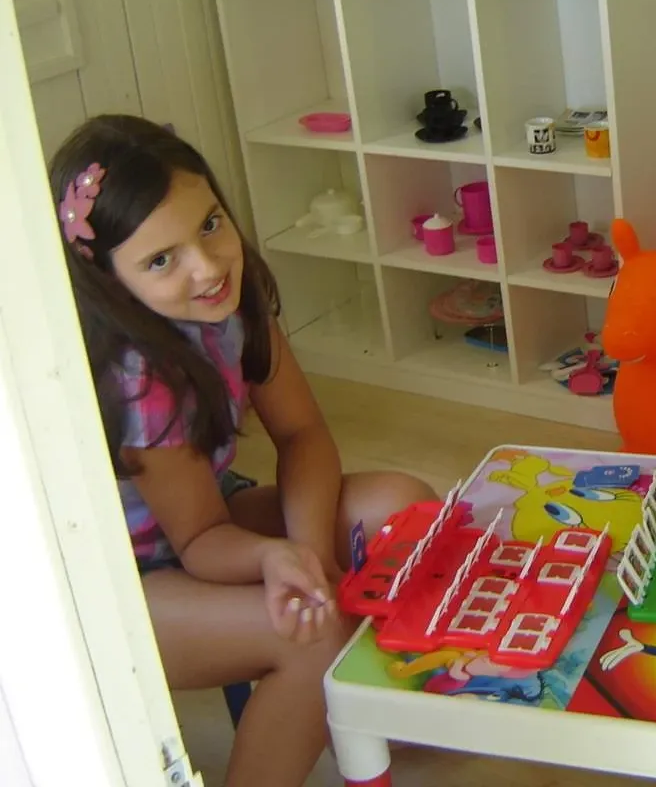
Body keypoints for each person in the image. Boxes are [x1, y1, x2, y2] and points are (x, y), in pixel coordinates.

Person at [49, 115, 435, 787]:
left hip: (210, 522)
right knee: (313, 634)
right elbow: (199, 540)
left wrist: (309, 552)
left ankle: (372, 715)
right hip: (124, 578)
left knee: (402, 506)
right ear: (110, 281)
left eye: (210, 224)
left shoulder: (234, 296)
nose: (207, 267)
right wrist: (279, 561)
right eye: (161, 260)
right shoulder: (141, 381)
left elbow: (304, 435)